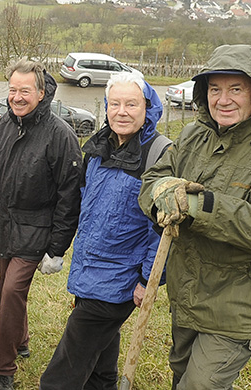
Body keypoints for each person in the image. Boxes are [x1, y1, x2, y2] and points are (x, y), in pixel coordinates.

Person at [138, 44, 251, 389]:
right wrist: (161, 195)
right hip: (188, 291)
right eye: (215, 89)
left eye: (236, 89)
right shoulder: (193, 136)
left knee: (200, 384)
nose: (224, 99)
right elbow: (152, 182)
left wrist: (199, 207)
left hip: (239, 302)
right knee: (183, 374)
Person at [37, 72, 170, 389]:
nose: (121, 111)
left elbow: (162, 230)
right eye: (115, 104)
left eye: (131, 104)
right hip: (89, 273)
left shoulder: (158, 156)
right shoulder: (98, 150)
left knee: (61, 375)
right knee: (99, 370)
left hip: (121, 280)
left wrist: (147, 280)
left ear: (147, 108)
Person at [0, 58, 82, 389]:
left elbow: (70, 197)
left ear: (41, 93)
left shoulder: (60, 136)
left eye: (25, 91)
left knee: (12, 291)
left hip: (37, 229)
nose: (17, 97)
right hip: (4, 225)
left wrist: (56, 249)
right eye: (12, 90)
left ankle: (2, 368)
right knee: (6, 291)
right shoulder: (4, 126)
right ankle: (21, 339)